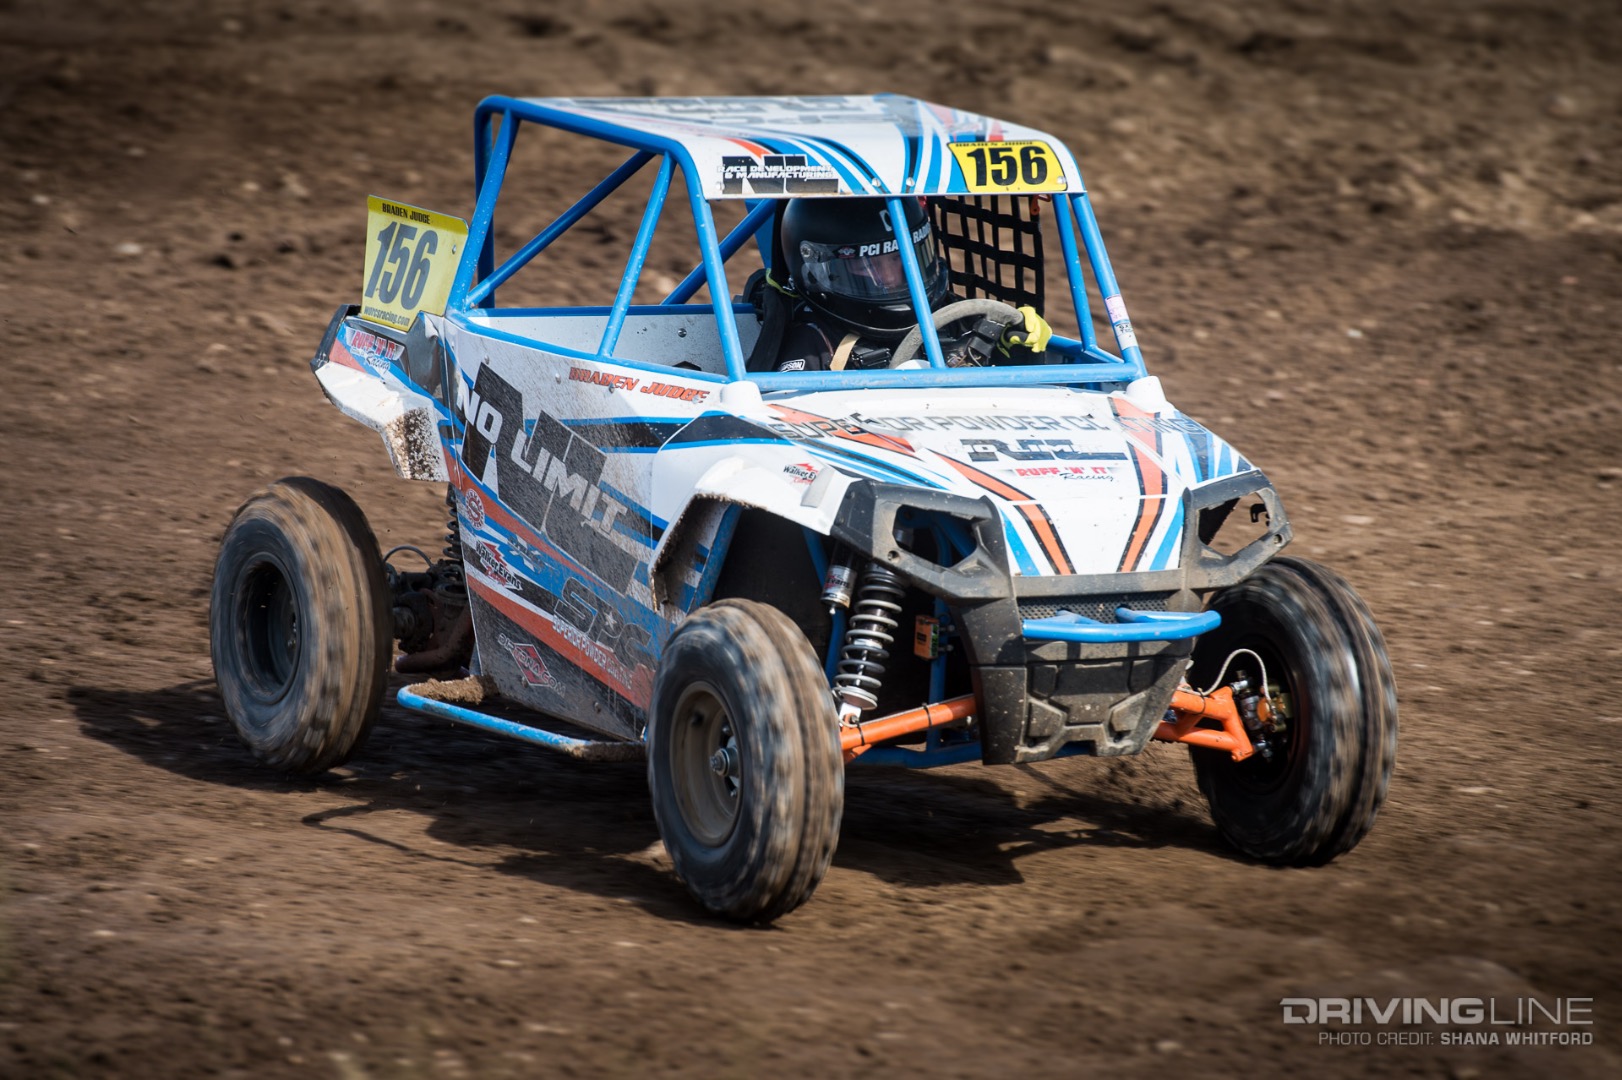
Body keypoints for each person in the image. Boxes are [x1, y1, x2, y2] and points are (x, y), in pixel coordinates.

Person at [743, 197, 1053, 373]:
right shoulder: (813, 345)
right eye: (871, 266)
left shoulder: (958, 319)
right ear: (818, 271)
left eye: (903, 261)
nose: (892, 278)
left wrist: (1021, 356)